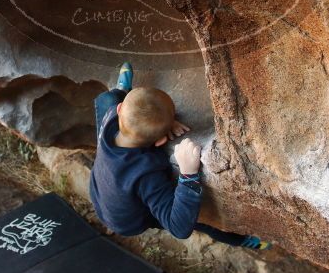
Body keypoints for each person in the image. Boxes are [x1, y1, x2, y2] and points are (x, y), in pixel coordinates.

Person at [89, 63, 271, 250]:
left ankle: (121, 91)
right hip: (127, 221)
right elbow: (178, 227)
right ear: (161, 141)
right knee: (203, 222)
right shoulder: (145, 175)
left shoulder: (110, 117)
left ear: (120, 109)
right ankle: (240, 240)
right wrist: (188, 174)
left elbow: (126, 110)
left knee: (108, 98)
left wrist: (161, 123)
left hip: (97, 194)